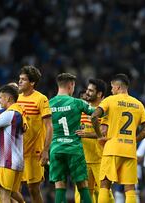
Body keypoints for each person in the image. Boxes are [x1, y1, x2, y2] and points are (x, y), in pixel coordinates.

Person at [91, 73, 145, 203]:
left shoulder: (109, 100)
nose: (111, 90)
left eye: (112, 87)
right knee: (130, 189)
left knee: (105, 185)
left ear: (118, 87)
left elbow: (94, 117)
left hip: (112, 148)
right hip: (130, 150)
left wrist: (100, 136)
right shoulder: (138, 104)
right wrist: (135, 140)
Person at [49, 73, 95, 203]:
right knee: (82, 186)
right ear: (71, 85)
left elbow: (44, 128)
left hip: (56, 148)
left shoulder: (49, 104)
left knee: (59, 185)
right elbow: (96, 113)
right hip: (74, 149)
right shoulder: (77, 103)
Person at [17, 66, 53, 203]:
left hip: (34, 152)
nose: (20, 82)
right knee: (15, 189)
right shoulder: (16, 98)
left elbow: (49, 126)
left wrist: (45, 150)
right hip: (18, 151)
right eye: (19, 79)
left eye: (23, 79)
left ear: (32, 83)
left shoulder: (41, 99)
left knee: (33, 189)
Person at [74, 79, 114, 203]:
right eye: (87, 89)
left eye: (91, 90)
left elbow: (104, 134)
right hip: (83, 159)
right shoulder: (82, 109)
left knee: (105, 195)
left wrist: (86, 134)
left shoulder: (105, 111)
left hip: (100, 159)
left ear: (100, 94)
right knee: (82, 196)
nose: (87, 93)